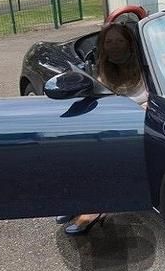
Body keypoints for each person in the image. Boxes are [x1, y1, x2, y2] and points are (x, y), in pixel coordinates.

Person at [57, 22, 148, 235]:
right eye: (109, 42)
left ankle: (98, 206)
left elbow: (157, 97)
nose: (114, 46)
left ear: (130, 43)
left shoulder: (146, 67)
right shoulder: (102, 71)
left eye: (119, 41)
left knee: (109, 154)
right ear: (103, 47)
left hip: (142, 125)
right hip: (115, 125)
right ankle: (80, 200)